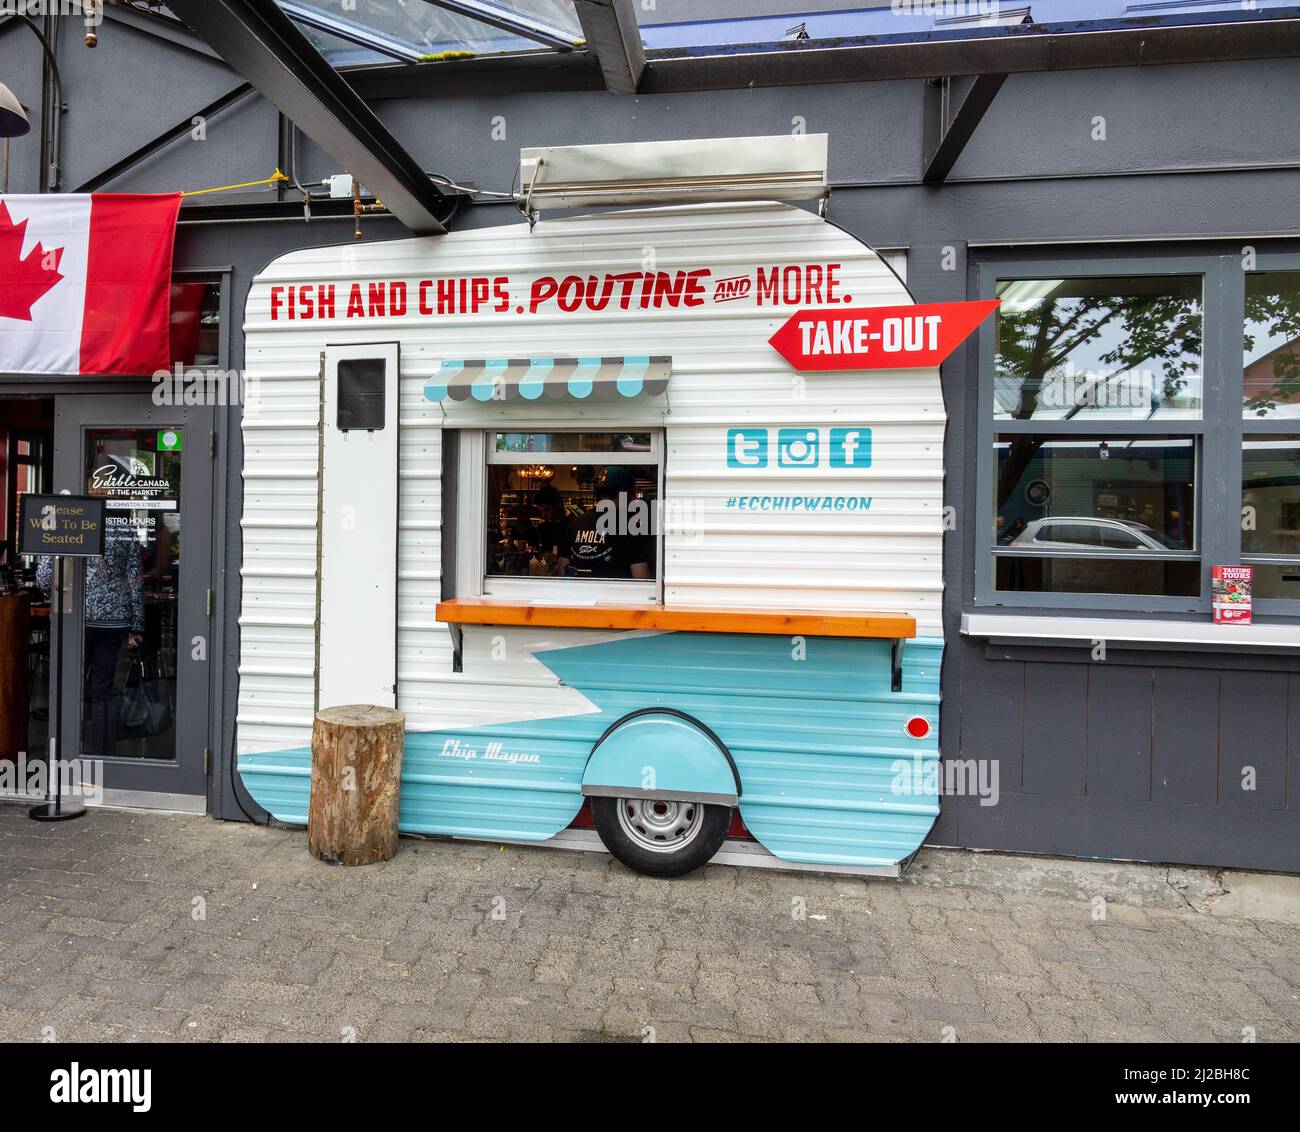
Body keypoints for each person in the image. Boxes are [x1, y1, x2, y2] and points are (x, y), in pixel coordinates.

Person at [38, 533, 144, 759]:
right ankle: (104, 755)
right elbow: (135, 579)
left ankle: (61, 753)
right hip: (113, 621)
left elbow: (45, 579)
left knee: (67, 687)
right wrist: (136, 625)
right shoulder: (124, 531)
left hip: (75, 618)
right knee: (103, 693)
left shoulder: (68, 528)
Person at [558, 467, 654, 580]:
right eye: (632, 493)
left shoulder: (576, 523)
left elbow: (563, 569)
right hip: (616, 595)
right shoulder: (632, 527)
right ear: (624, 491)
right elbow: (641, 576)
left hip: (579, 594)